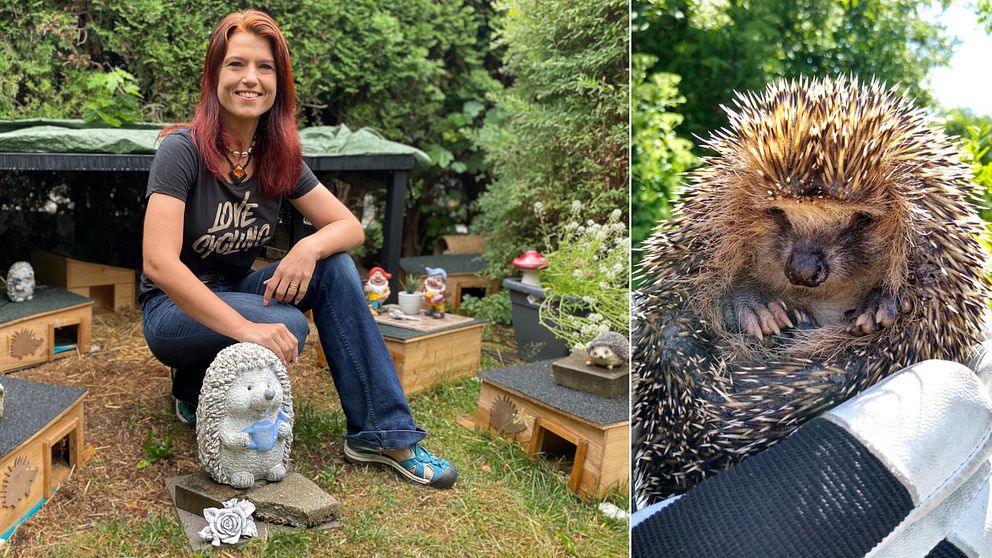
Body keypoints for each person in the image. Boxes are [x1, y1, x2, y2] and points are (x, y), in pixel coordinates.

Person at [139, 9, 456, 489]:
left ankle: (380, 432)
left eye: (264, 67)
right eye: (236, 65)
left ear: (279, 82)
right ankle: (195, 375)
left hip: (235, 288)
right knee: (283, 323)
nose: (251, 79)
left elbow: (349, 227)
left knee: (336, 266)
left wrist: (307, 248)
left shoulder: (276, 156)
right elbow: (159, 263)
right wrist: (249, 328)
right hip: (171, 311)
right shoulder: (181, 150)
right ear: (214, 76)